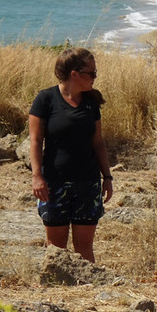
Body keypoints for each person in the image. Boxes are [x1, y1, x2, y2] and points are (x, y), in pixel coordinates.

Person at [29, 47, 113, 263]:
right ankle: (56, 292)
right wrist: (37, 176)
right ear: (74, 74)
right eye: (91, 73)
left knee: (84, 248)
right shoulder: (45, 99)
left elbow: (98, 143)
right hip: (54, 184)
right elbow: (36, 141)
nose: (95, 77)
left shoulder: (90, 102)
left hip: (87, 183)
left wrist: (107, 177)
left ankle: (88, 291)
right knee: (55, 250)